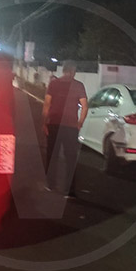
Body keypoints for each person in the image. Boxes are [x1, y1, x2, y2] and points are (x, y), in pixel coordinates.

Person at [42, 60, 88, 197]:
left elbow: (47, 104)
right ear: (73, 71)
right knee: (70, 158)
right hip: (71, 126)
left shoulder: (54, 84)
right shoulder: (79, 85)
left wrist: (44, 122)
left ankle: (51, 185)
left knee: (52, 155)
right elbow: (85, 107)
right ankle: (70, 190)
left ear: (63, 70)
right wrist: (80, 123)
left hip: (54, 124)